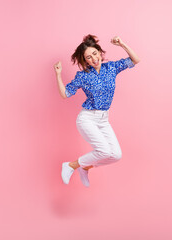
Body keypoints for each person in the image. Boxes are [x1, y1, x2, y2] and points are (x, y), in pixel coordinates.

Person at [53, 34, 140, 187]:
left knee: (116, 155)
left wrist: (122, 44)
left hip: (103, 119)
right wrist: (58, 75)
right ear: (84, 61)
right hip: (87, 119)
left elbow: (135, 60)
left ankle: (85, 167)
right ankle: (71, 165)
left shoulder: (111, 68)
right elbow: (65, 94)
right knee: (104, 151)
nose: (93, 59)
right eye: (88, 57)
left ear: (100, 52)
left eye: (95, 53)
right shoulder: (83, 76)